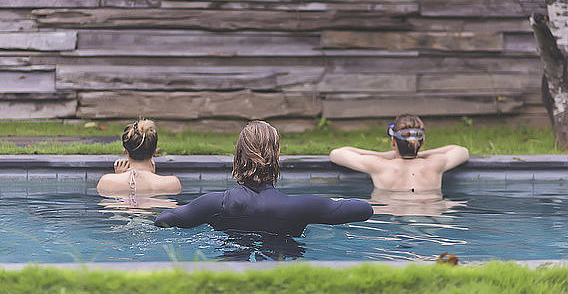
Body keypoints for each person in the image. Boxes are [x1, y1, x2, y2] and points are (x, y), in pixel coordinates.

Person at [154, 120, 373, 237]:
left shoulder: (215, 204)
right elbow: (364, 209)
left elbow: (164, 219)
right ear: (277, 156)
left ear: (238, 156)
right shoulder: (301, 206)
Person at [329, 114, 469, 192]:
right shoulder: (435, 163)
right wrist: (421, 154)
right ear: (423, 141)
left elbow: (336, 154)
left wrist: (384, 155)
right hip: (430, 218)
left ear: (393, 142)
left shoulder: (379, 165)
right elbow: (462, 151)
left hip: (393, 217)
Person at [96, 119, 182, 198]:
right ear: (155, 151)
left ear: (125, 151)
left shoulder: (106, 182)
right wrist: (151, 175)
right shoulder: (172, 184)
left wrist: (119, 176)